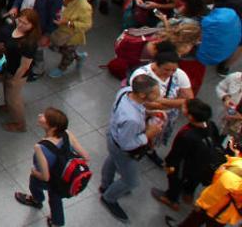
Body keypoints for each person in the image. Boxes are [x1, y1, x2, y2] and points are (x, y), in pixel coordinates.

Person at [100, 75, 163, 222]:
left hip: (113, 136)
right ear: (142, 94)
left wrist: (147, 113)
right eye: (155, 92)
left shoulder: (126, 91)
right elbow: (127, 144)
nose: (159, 95)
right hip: (122, 146)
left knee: (112, 159)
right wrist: (149, 134)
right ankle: (108, 198)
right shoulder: (132, 119)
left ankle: (105, 185)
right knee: (131, 181)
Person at [14, 107, 90, 227]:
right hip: (65, 180)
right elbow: (86, 157)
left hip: (52, 180)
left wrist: (34, 172)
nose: (40, 116)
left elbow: (45, 177)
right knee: (55, 199)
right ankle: (56, 222)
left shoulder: (41, 147)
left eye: (44, 117)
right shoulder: (67, 134)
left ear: (53, 127)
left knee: (34, 182)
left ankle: (36, 200)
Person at [151, 98, 221, 212]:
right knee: (193, 181)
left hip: (186, 166)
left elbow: (177, 154)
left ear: (191, 117)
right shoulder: (210, 125)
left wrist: (169, 164)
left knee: (175, 179)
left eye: (185, 108)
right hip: (202, 164)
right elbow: (216, 141)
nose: (182, 107)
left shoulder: (188, 135)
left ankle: (171, 199)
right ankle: (188, 194)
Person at [1, 9, 41, 132]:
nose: (20, 24)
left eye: (25, 23)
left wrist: (15, 79)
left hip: (17, 73)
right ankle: (7, 106)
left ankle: (19, 124)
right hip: (7, 66)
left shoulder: (29, 42)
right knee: (6, 91)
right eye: (20, 20)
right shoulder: (13, 27)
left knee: (14, 99)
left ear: (32, 26)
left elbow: (24, 66)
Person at [48, 0, 93, 78]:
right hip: (57, 31)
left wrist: (67, 23)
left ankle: (62, 68)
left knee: (67, 53)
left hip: (72, 35)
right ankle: (79, 56)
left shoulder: (84, 7)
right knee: (57, 48)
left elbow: (87, 25)